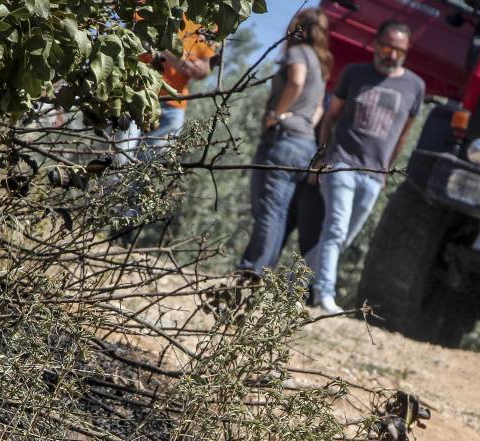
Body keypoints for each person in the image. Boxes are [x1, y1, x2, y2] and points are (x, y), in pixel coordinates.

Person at [306, 19, 425, 314]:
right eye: (387, 47)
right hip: (341, 163)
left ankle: (290, 279)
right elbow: (331, 116)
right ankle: (324, 296)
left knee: (343, 237)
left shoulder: (415, 86)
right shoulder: (354, 73)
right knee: (335, 229)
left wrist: (386, 171)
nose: (392, 55)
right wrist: (322, 156)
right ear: (375, 44)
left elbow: (403, 134)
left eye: (399, 50)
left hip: (374, 175)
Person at [236, 8, 331, 277]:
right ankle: (261, 269)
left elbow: (296, 82)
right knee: (277, 211)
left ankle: (253, 269)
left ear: (299, 25)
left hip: (282, 141)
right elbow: (318, 111)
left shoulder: (299, 53)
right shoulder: (320, 61)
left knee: (267, 210)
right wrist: (303, 122)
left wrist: (277, 114)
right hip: (303, 144)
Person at [115, 16, 216, 164]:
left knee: (148, 166)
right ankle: (110, 186)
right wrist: (181, 61)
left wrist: (166, 50)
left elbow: (203, 70)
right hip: (137, 94)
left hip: (173, 104)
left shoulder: (208, 22)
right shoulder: (161, 8)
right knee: (120, 158)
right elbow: (137, 31)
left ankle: (127, 187)